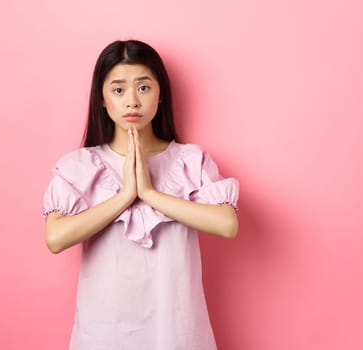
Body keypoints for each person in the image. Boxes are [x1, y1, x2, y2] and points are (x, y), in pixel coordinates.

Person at [43, 39, 239, 350]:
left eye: (144, 88)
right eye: (118, 90)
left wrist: (148, 192)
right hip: (105, 330)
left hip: (176, 330)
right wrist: (124, 196)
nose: (132, 101)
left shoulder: (189, 160)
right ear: (103, 99)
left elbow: (227, 224)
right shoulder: (80, 166)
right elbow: (56, 238)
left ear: (160, 95)